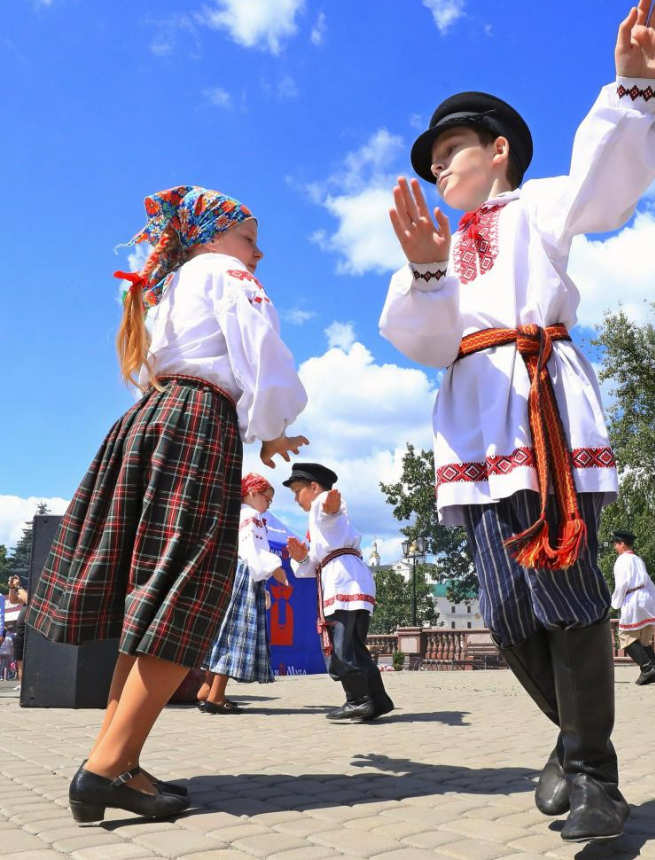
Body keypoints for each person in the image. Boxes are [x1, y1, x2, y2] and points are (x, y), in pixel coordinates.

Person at [379, 0, 655, 843]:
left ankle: (594, 774)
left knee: (569, 586)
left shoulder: (541, 206)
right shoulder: (437, 249)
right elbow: (423, 338)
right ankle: (575, 737)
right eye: (433, 158)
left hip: (541, 410)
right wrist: (425, 269)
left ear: (499, 151)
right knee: (509, 608)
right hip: (474, 428)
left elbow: (604, 186)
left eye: (453, 150)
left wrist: (635, 89)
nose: (440, 167)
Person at [25, 186, 309, 824]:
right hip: (198, 421)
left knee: (149, 593)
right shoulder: (223, 271)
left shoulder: (170, 286)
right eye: (249, 237)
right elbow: (260, 348)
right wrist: (274, 424)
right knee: (186, 591)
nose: (257, 253)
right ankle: (104, 768)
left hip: (150, 418)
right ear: (212, 235)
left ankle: (115, 756)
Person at [284, 463, 394, 721]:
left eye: (297, 491)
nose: (295, 498)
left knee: (342, 647)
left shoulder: (323, 504)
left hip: (342, 581)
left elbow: (330, 511)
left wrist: (328, 509)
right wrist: (301, 559)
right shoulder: (321, 527)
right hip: (349, 578)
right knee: (354, 646)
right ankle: (377, 699)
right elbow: (313, 565)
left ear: (313, 487)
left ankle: (358, 700)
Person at [198, 472, 288, 713]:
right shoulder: (253, 518)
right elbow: (252, 552)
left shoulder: (233, 516)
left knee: (221, 632)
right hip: (244, 576)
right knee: (234, 635)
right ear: (253, 493)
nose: (268, 505)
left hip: (229, 574)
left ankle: (207, 688)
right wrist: (276, 569)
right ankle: (216, 696)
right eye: (267, 499)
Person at [610, 530, 655, 685]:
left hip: (632, 599)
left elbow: (621, 584)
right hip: (645, 598)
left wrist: (615, 603)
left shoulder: (621, 560)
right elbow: (648, 582)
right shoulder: (638, 559)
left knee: (625, 637)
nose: (614, 546)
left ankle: (648, 668)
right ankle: (654, 669)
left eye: (615, 543)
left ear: (621, 543)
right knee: (643, 640)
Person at [7, 576, 27, 691]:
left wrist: (19, 586)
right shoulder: (24, 592)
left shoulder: (39, 593)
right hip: (21, 630)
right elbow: (13, 600)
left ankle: (27, 685)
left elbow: (28, 600)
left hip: (30, 630)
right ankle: (22, 684)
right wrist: (12, 587)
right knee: (20, 658)